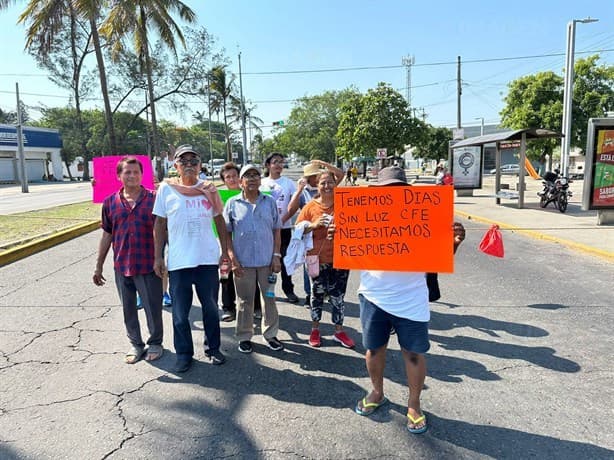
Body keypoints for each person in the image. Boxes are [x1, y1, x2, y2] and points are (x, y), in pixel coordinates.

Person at [352, 166, 465, 435]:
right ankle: (377, 393)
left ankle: (414, 404)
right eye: (386, 189)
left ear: (405, 190)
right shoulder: (365, 215)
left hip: (411, 298)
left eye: (397, 189)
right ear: (378, 193)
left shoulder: (424, 216)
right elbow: (346, 250)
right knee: (373, 350)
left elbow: (441, 255)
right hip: (373, 295)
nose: (392, 194)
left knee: (414, 354)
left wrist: (455, 242)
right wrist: (338, 236)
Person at [152, 145, 229, 373]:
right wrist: (158, 257)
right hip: (179, 262)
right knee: (179, 313)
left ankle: (213, 349)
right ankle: (184, 354)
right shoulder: (166, 190)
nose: (188, 164)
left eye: (193, 161)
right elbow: (159, 224)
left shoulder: (209, 189)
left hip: (206, 260)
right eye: (182, 161)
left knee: (211, 309)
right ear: (175, 166)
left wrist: (225, 252)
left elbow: (219, 221)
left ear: (200, 165)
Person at [92, 156, 163, 364]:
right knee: (128, 308)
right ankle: (136, 344)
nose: (132, 176)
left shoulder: (154, 199)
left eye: (136, 172)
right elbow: (107, 234)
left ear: (142, 175)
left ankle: (156, 342)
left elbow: (163, 231)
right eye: (127, 172)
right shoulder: (110, 203)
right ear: (119, 176)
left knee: (153, 308)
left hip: (149, 265)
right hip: (122, 266)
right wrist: (98, 265)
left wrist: (160, 259)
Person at [224, 164, 284, 354]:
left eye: (255, 175)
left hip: (267, 262)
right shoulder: (232, 204)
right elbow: (226, 234)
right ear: (241, 182)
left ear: (260, 180)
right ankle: (244, 336)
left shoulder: (270, 202)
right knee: (244, 301)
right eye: (247, 176)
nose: (251, 178)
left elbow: (277, 230)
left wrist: (276, 255)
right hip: (243, 263)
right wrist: (233, 259)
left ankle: (271, 334)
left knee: (270, 299)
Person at [296, 170, 355, 349]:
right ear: (317, 185)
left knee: (338, 297)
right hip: (317, 259)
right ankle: (315, 330)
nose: (327, 186)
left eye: (330, 182)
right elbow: (297, 230)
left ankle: (339, 331)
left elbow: (356, 226)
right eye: (323, 183)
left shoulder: (345, 204)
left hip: (341, 259)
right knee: (317, 296)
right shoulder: (310, 206)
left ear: (335, 184)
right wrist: (313, 226)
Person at [287, 160, 344, 306]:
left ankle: (330, 294)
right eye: (311, 176)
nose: (314, 178)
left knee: (331, 270)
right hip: (311, 239)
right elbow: (291, 209)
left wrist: (323, 164)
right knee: (311, 269)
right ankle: (310, 294)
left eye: (315, 175)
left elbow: (340, 174)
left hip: (331, 239)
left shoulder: (327, 187)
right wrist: (299, 189)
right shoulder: (304, 192)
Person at [218, 161, 263, 322]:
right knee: (225, 276)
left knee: (252, 274)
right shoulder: (217, 196)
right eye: (227, 177)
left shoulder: (251, 195)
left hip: (247, 244)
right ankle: (228, 307)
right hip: (222, 242)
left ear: (240, 178)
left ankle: (256, 306)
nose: (231, 179)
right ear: (223, 180)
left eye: (234, 176)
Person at [261, 152, 299, 303]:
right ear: (268, 165)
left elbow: (294, 205)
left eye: (281, 162)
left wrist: (282, 220)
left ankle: (288, 290)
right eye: (275, 162)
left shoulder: (288, 183)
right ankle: (267, 292)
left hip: (284, 228)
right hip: (265, 230)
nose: (278, 165)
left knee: (284, 260)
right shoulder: (261, 183)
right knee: (265, 262)